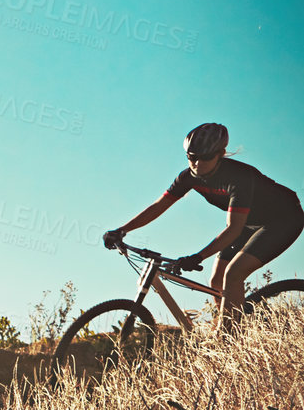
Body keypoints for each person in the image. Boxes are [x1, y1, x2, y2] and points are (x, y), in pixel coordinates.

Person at [105, 123, 304, 330]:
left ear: (221, 154)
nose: (197, 164)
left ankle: (228, 339)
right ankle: (236, 329)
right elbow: (158, 206)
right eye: (191, 157)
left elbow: (233, 229)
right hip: (249, 222)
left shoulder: (239, 177)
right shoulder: (188, 177)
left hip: (283, 219)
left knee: (233, 273)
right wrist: (121, 230)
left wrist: (198, 257)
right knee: (217, 281)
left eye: (205, 157)